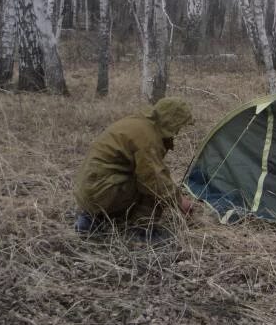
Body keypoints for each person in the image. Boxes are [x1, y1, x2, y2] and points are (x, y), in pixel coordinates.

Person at [74, 97, 196, 240]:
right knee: (156, 188)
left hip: (88, 190)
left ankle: (90, 220)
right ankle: (142, 231)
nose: (178, 131)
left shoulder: (138, 123)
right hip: (102, 191)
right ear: (171, 121)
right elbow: (154, 179)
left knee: (141, 179)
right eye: (179, 125)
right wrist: (179, 201)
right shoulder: (147, 136)